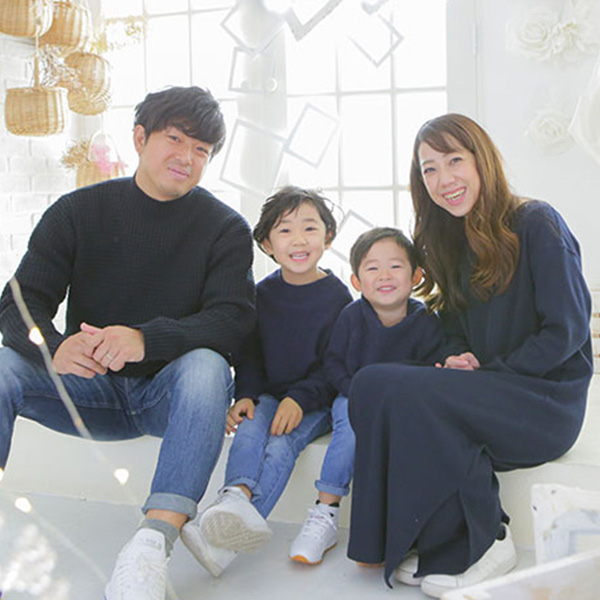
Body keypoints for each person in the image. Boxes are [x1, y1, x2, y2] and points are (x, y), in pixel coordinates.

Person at [0, 86, 256, 600]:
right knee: (4, 364)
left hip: (168, 398)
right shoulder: (77, 211)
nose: (187, 157)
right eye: (175, 139)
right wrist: (54, 347)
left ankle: (150, 547)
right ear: (140, 138)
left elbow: (233, 320)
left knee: (207, 364)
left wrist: (146, 339)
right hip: (86, 390)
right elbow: (17, 305)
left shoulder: (225, 227)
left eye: (201, 150)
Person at [347, 113, 593, 598]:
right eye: (429, 169)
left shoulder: (537, 223)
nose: (444, 179)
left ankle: (488, 539)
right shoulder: (451, 241)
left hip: (544, 403)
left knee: (411, 394)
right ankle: (405, 540)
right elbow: (454, 326)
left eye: (454, 160)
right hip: (491, 391)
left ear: (482, 161)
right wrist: (459, 355)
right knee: (371, 382)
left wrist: (491, 373)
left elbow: (565, 331)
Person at [180, 186, 352, 577]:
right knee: (250, 428)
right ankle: (235, 496)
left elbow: (334, 365)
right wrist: (245, 394)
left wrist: (299, 399)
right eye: (285, 230)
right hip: (270, 393)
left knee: (280, 446)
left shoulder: (338, 298)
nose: (299, 240)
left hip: (315, 402)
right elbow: (250, 354)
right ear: (267, 244)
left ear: (327, 237)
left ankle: (223, 543)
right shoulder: (261, 294)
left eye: (310, 228)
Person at [289, 226, 445, 565]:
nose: (384, 275)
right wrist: (356, 392)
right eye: (373, 268)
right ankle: (325, 511)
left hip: (403, 406)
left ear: (417, 276)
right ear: (357, 281)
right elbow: (333, 363)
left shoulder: (427, 322)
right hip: (353, 397)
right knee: (349, 425)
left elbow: (431, 374)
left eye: (395, 266)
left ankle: (407, 526)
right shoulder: (351, 316)